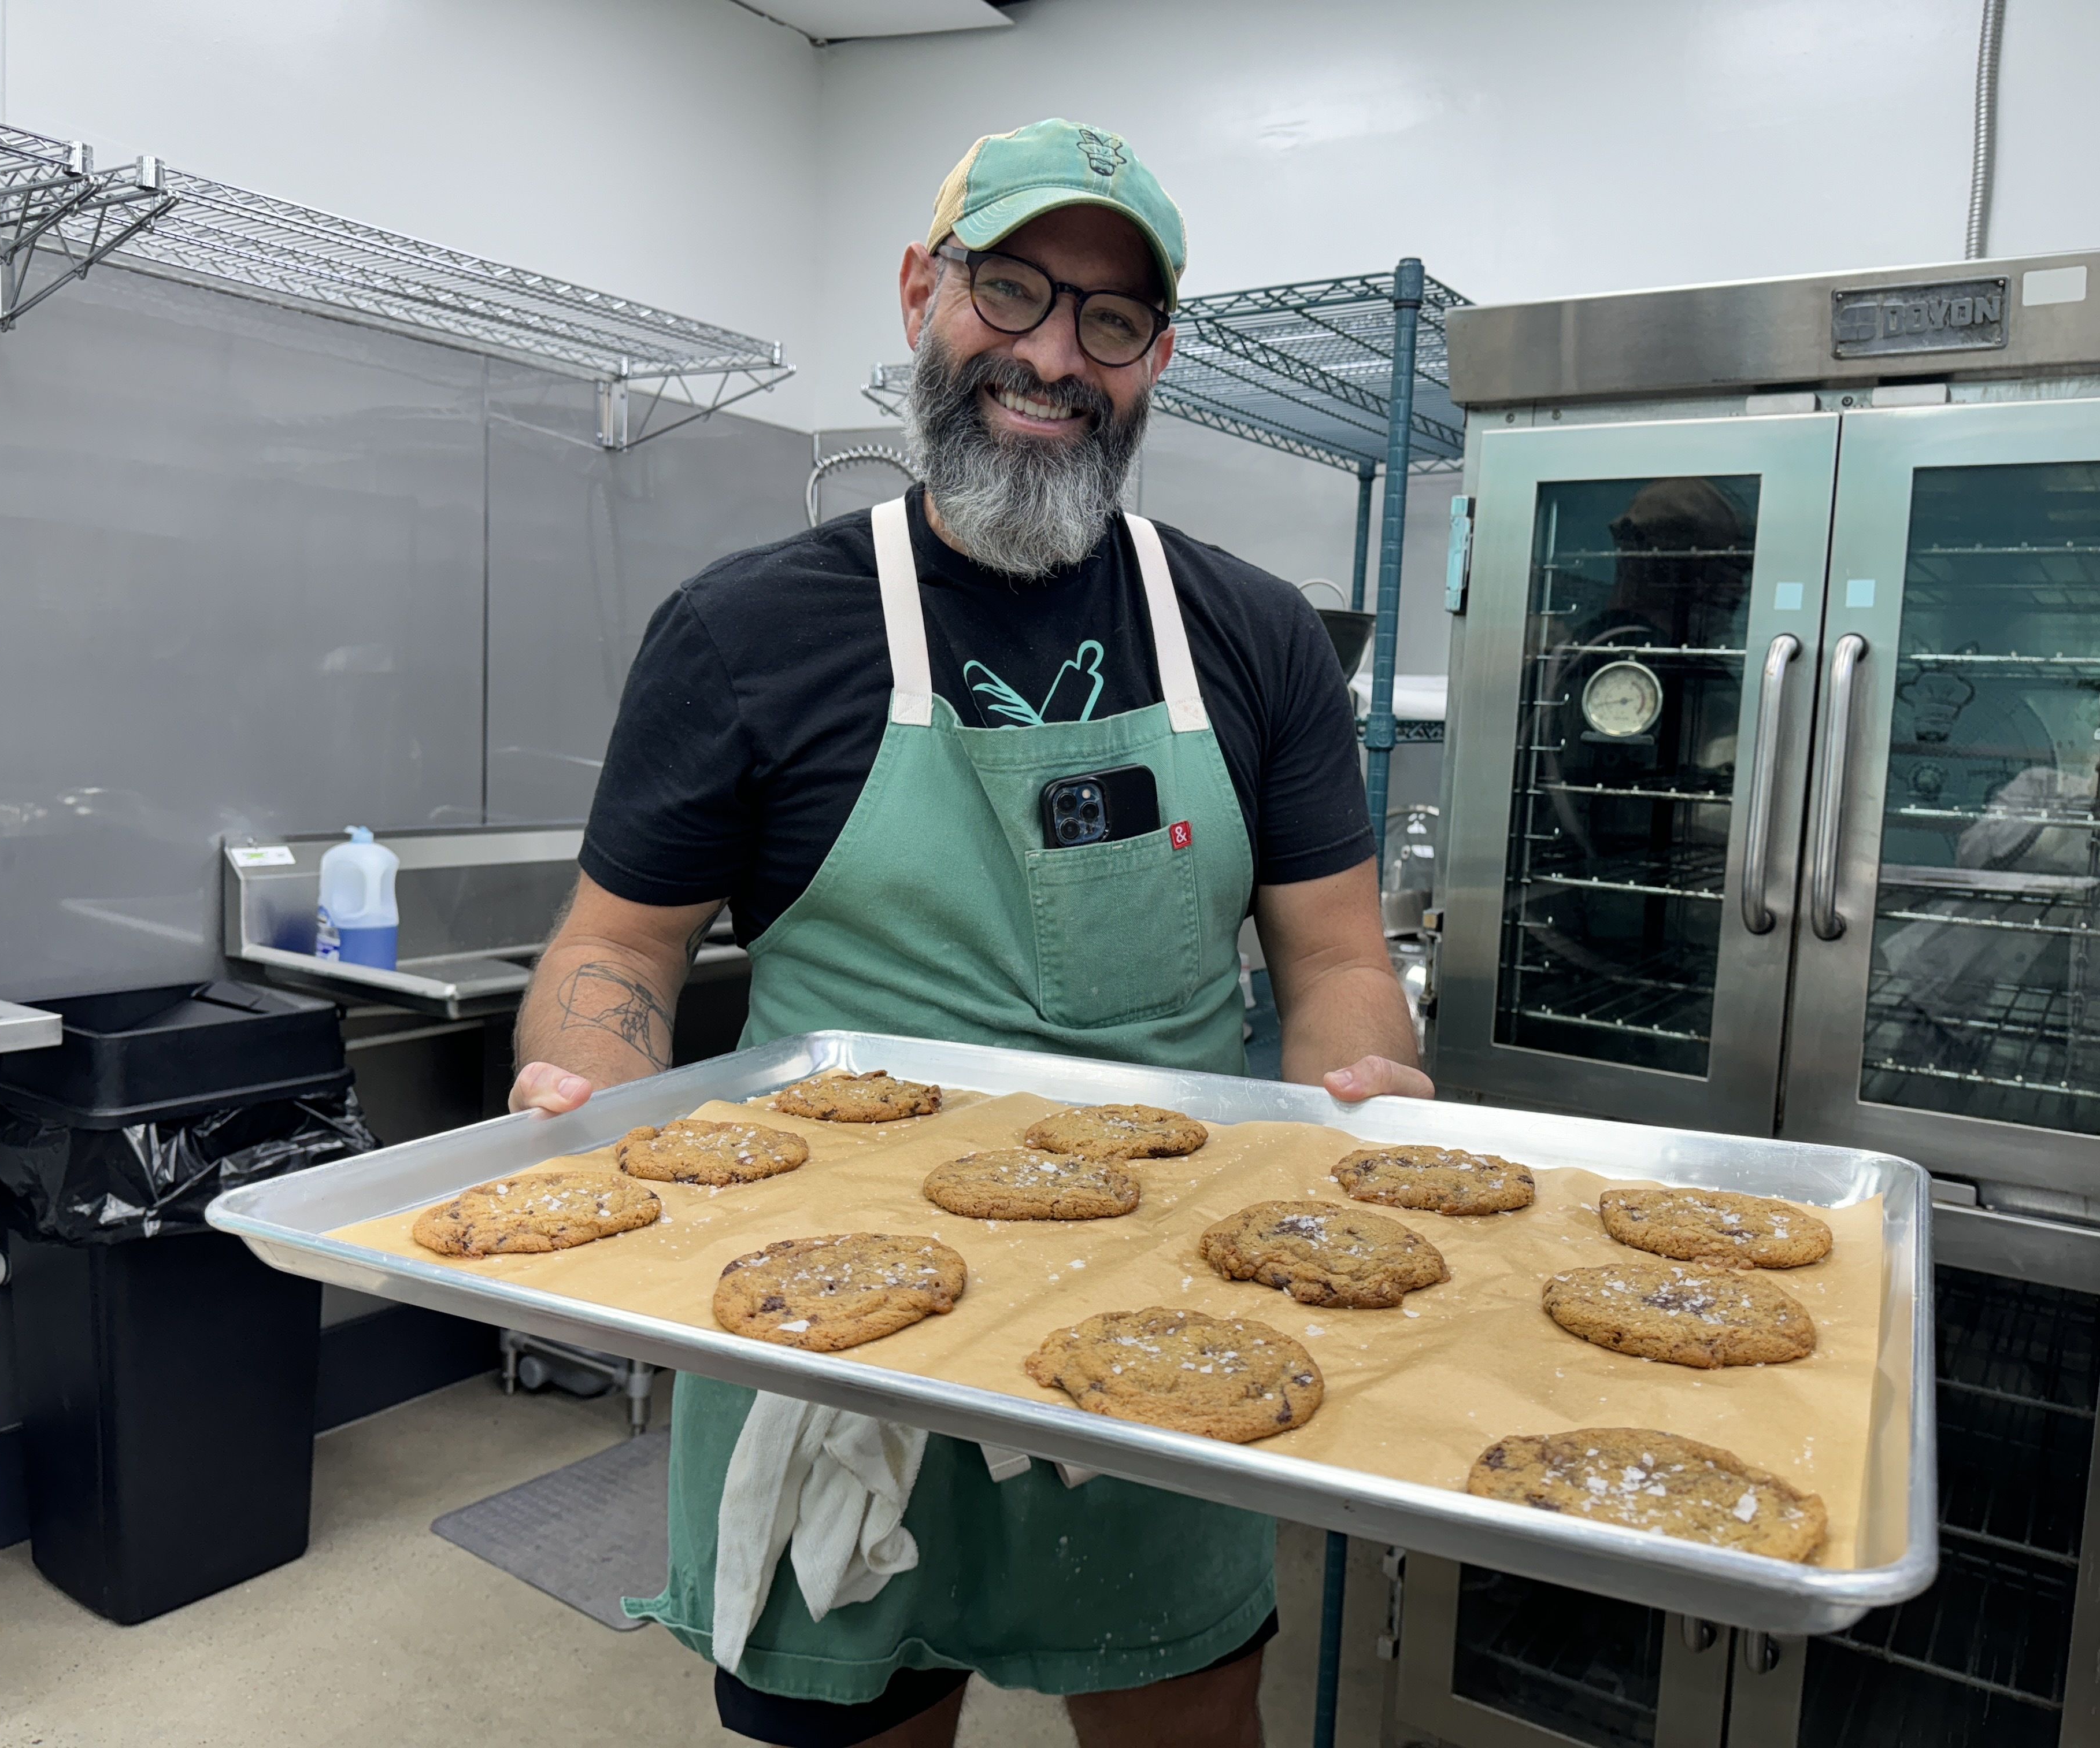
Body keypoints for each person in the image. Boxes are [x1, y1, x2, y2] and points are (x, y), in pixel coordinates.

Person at [506, 117, 1428, 1748]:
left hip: (1169, 1311)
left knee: (1187, 1711)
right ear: (925, 291)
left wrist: (1367, 1094)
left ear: (1156, 358)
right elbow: (621, 952)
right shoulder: (744, 633)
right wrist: (594, 1101)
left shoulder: (1256, 633)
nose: (1055, 355)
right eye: (1012, 290)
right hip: (823, 1329)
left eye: (1114, 321)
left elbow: (1338, 959)